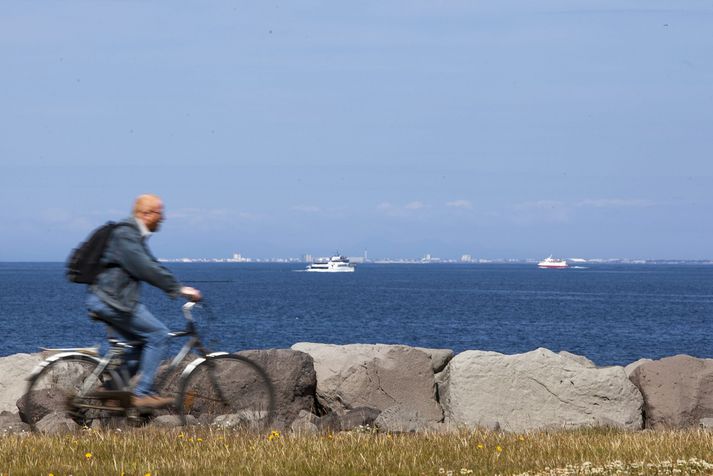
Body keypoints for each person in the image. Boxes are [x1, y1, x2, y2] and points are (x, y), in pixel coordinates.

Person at [86, 194, 201, 408]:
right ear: (145, 214)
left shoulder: (134, 234)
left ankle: (111, 390)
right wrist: (177, 288)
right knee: (159, 335)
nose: (163, 218)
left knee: (140, 344)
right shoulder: (126, 234)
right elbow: (144, 267)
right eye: (159, 212)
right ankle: (142, 393)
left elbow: (151, 264)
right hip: (113, 301)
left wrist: (176, 286)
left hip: (112, 300)